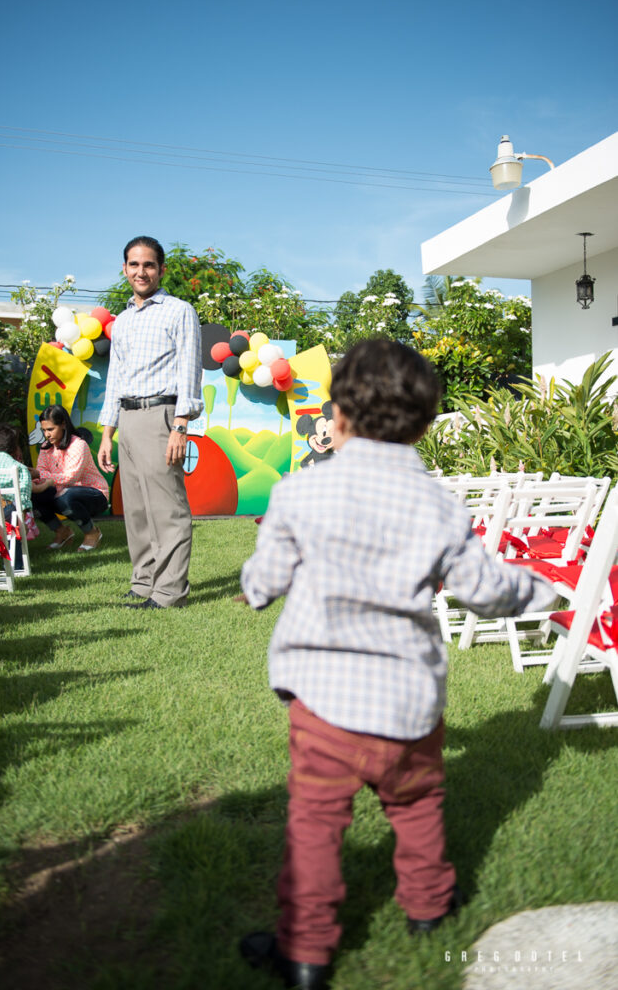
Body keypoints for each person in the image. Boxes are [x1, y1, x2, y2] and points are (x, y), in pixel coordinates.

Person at [238, 340, 555, 990]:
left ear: (338, 415)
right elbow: (487, 590)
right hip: (409, 703)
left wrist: (254, 580)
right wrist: (543, 591)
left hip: (323, 702)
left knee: (316, 823)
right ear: (425, 424)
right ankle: (430, 912)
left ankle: (305, 953)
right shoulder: (439, 504)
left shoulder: (300, 492)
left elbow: (262, 582)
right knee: (417, 805)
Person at [97, 236, 202, 609]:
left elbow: (189, 371)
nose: (141, 272)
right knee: (138, 508)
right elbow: (115, 380)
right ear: (124, 269)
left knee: (166, 507)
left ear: (161, 269)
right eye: (134, 264)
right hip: (126, 417)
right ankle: (143, 581)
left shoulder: (179, 311)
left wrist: (180, 425)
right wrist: (107, 433)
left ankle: (170, 591)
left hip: (162, 415)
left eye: (149, 265)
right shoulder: (121, 321)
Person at [31, 405, 109, 551]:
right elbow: (41, 474)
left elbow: (71, 478)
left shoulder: (79, 445)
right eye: (44, 430)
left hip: (95, 495)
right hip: (63, 494)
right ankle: (62, 532)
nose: (47, 434)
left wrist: (39, 475)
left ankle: (92, 533)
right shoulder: (46, 447)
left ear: (63, 425)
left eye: (50, 429)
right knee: (32, 496)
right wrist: (32, 481)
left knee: (66, 496)